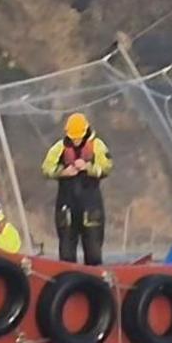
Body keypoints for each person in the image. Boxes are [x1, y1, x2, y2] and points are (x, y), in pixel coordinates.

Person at [41, 112, 110, 265]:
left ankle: (94, 282)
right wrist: (63, 172)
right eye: (73, 137)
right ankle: (68, 281)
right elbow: (46, 168)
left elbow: (106, 167)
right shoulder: (59, 147)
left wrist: (88, 167)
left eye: (78, 137)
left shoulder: (97, 146)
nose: (76, 140)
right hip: (67, 205)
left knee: (93, 251)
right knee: (66, 251)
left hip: (90, 206)